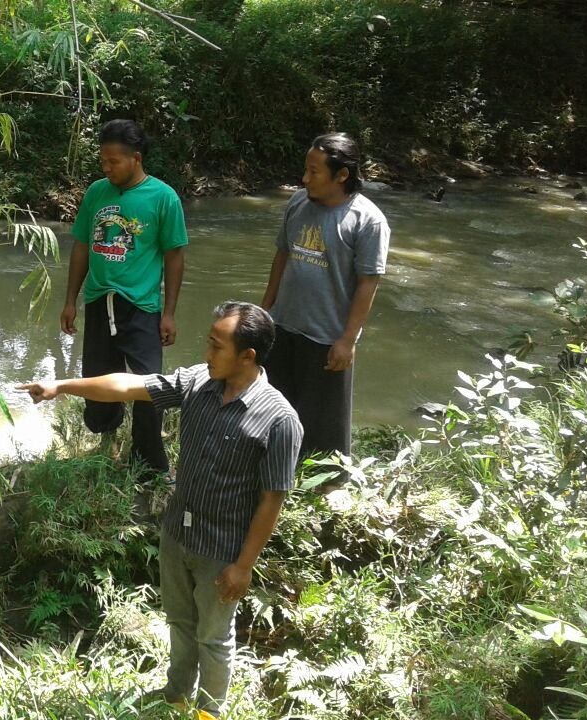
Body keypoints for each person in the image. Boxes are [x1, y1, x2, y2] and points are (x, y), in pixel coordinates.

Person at [19, 301, 302, 718]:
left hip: (221, 548)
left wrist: (244, 565)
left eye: (216, 346)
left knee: (214, 637)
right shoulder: (197, 384)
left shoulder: (279, 420)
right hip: (177, 534)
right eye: (208, 343)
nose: (207, 354)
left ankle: (209, 713)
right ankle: (175, 696)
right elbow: (127, 385)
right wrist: (62, 386)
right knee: (180, 624)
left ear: (248, 356)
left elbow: (271, 500)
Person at [61, 119, 188, 476]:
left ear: (135, 158)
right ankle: (104, 449)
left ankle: (148, 463)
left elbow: (174, 255)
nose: (106, 167)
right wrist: (71, 299)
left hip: (142, 306)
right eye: (103, 161)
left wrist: (170, 312)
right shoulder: (96, 193)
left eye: (113, 161)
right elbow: (83, 247)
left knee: (149, 386)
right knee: (98, 379)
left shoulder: (163, 197)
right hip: (100, 300)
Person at [260, 132, 390, 457]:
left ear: (341, 175)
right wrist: (266, 310)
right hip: (283, 325)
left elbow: (368, 283)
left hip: (326, 337)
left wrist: (347, 340)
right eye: (306, 169)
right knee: (274, 411)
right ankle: (275, 469)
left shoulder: (367, 221)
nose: (305, 179)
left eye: (314, 172)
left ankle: (328, 487)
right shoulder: (297, 202)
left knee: (324, 430)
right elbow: (282, 255)